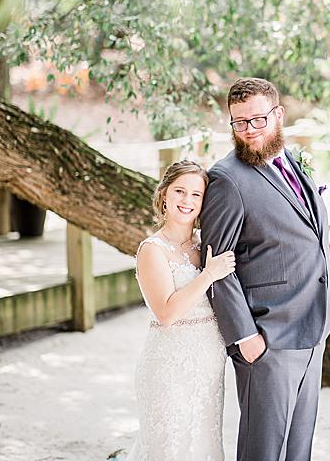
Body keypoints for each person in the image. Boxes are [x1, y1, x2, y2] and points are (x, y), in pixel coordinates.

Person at [200, 77, 330, 461]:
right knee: (264, 450)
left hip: (314, 327)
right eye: (239, 123)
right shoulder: (227, 179)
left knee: (298, 448)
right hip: (268, 338)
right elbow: (216, 266)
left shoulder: (294, 161)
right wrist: (246, 336)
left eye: (258, 120)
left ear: (278, 115)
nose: (249, 132)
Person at [126, 160, 237, 461]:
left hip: (208, 367)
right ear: (163, 195)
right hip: (168, 367)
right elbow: (167, 314)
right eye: (179, 191)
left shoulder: (206, 245)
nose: (187, 201)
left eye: (196, 195)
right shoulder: (152, 249)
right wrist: (208, 275)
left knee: (204, 446)